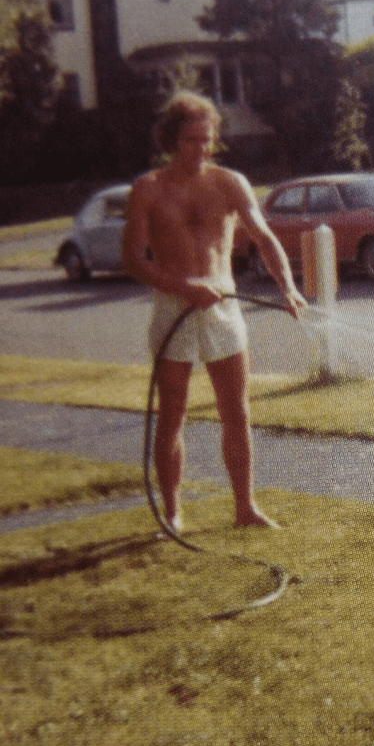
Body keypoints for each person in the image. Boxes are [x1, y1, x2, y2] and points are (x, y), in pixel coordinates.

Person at [122, 90, 306, 532]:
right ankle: (173, 512)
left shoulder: (229, 182)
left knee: (237, 412)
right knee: (172, 413)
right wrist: (184, 287)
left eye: (207, 140)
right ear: (172, 139)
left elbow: (264, 237)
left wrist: (288, 286)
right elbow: (134, 260)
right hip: (174, 307)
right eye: (191, 140)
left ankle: (245, 508)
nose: (201, 149)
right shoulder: (148, 189)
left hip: (223, 306)